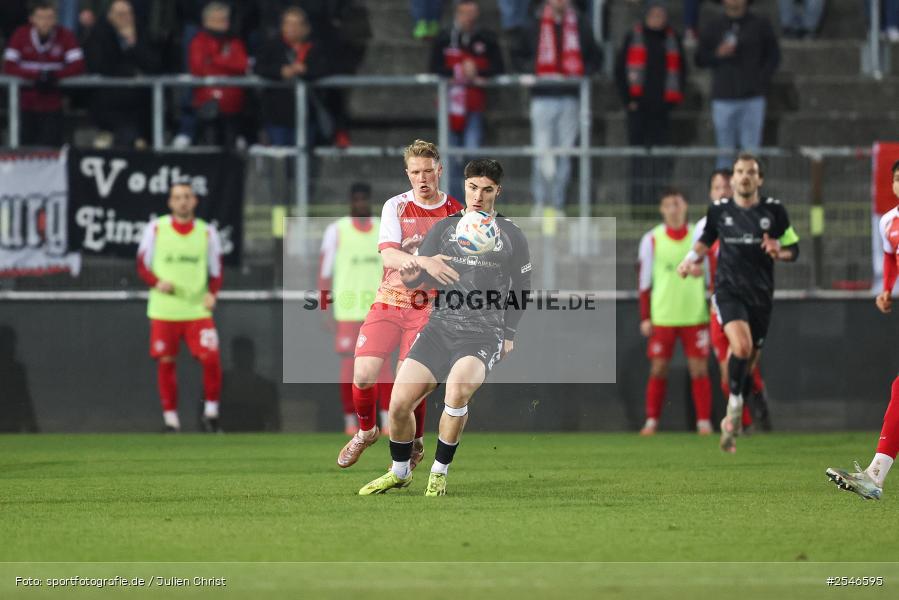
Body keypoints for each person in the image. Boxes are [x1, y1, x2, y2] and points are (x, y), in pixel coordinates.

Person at [359, 158, 532, 496]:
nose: (478, 196)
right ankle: (399, 472)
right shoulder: (445, 229)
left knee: (456, 391)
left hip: (483, 334)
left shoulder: (510, 234)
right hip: (439, 329)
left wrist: (509, 334)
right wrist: (412, 275)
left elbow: (523, 288)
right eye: (472, 188)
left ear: (498, 191)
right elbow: (420, 277)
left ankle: (438, 472)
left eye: (486, 190)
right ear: (464, 186)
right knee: (398, 404)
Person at [336, 140, 463, 469]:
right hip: (389, 301)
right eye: (415, 172)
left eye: (428, 171)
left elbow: (460, 263)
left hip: (429, 308)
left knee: (411, 380)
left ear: (439, 171)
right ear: (408, 175)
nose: (422, 179)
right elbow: (389, 253)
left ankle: (417, 439)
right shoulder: (396, 206)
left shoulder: (456, 213)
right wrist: (422, 260)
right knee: (363, 375)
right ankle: (366, 431)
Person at [677, 153, 799, 453]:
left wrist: (777, 250)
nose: (745, 176)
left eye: (751, 172)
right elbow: (704, 240)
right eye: (740, 171)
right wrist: (688, 260)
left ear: (759, 179)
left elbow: (794, 249)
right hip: (728, 292)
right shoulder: (719, 212)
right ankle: (734, 408)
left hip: (760, 296)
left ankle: (733, 415)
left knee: (749, 359)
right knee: (740, 348)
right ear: (733, 178)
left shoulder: (775, 211)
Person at [825, 159, 899, 501]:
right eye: (898, 180)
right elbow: (889, 256)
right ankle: (874, 476)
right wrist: (886, 288)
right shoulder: (889, 222)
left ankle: (874, 476)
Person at [137, 183, 224, 433]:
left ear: (194, 201)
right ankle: (171, 420)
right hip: (165, 309)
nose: (182, 201)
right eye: (177, 197)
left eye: (187, 197)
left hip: (197, 309)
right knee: (166, 362)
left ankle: (211, 414)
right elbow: (142, 265)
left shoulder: (207, 232)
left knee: (211, 359)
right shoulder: (156, 228)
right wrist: (156, 282)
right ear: (170, 202)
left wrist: (212, 293)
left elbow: (216, 271)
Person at [693, 169, 771, 432]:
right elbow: (697, 260)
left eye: (727, 186)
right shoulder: (704, 226)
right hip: (720, 302)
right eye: (717, 188)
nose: (723, 192)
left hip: (748, 301)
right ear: (710, 193)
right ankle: (744, 423)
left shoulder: (752, 219)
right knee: (729, 368)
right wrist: (693, 267)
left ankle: (758, 400)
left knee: (745, 359)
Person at [511, 0, 602, 219]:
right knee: (542, 152)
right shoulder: (533, 23)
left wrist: (581, 73)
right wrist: (532, 71)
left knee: (565, 153)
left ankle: (558, 204)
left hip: (570, 97)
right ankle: (541, 202)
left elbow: (595, 56)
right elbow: (517, 55)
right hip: (542, 96)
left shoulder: (580, 23)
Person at [318, 183, 394, 436]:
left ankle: (386, 419)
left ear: (369, 201)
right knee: (349, 369)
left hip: (379, 310)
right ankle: (351, 420)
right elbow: (325, 274)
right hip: (347, 312)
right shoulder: (336, 231)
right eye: (356, 199)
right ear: (350, 202)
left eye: (364, 199)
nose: (360, 203)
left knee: (383, 367)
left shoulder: (383, 229)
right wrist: (324, 309)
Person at [637, 189, 713, 436]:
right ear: (662, 209)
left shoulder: (699, 236)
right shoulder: (652, 239)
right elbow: (644, 282)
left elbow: (711, 276)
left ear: (685, 206)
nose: (673, 209)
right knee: (658, 368)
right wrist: (645, 316)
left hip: (695, 314)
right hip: (663, 316)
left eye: (677, 204)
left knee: (699, 369)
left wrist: (700, 275)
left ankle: (703, 422)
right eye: (668, 205)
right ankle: (651, 421)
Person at [429, 0, 504, 204]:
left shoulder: (486, 38)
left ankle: (473, 202)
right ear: (457, 14)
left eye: (472, 14)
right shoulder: (444, 38)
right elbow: (434, 68)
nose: (469, 19)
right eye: (465, 14)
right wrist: (457, 71)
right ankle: (453, 202)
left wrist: (477, 72)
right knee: (449, 157)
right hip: (449, 107)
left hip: (473, 106)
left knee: (473, 156)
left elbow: (499, 67)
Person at [615, 1, 686, 209]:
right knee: (637, 159)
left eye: (660, 15)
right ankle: (637, 204)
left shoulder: (672, 39)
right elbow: (620, 72)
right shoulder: (633, 37)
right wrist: (629, 101)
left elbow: (682, 72)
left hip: (662, 112)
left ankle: (658, 202)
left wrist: (672, 102)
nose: (657, 19)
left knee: (661, 161)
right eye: (653, 15)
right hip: (638, 110)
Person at [695, 0, 780, 169]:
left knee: (750, 154)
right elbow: (699, 58)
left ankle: (749, 194)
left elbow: (774, 56)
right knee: (725, 153)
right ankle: (724, 193)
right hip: (723, 97)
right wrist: (717, 54)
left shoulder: (760, 24)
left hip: (753, 97)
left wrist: (761, 80)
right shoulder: (713, 25)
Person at [2, 0, 85, 146]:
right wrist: (37, 76)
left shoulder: (65, 35)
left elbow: (78, 65)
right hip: (25, 104)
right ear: (32, 19)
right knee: (24, 149)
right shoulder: (20, 35)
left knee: (51, 149)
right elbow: (9, 66)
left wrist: (53, 76)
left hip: (53, 104)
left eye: (49, 17)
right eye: (41, 17)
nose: (45, 22)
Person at [83, 0, 160, 148]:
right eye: (119, 14)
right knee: (127, 136)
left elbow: (154, 64)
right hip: (108, 100)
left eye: (128, 13)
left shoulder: (142, 32)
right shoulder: (99, 34)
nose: (124, 17)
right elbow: (98, 65)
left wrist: (132, 43)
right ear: (110, 16)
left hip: (139, 101)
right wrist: (130, 71)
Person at [255, 6, 328, 147]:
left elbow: (325, 69)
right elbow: (259, 68)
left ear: (305, 27)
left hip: (307, 115)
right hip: (278, 115)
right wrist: (281, 71)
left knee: (303, 157)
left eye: (296, 24)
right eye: (288, 23)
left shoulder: (315, 48)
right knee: (280, 157)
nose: (291, 28)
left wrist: (305, 70)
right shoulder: (271, 46)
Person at [188, 1, 249, 147]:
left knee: (231, 149)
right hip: (208, 103)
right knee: (210, 148)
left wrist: (214, 60)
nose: (224, 23)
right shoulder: (199, 41)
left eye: (225, 19)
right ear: (207, 21)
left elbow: (242, 65)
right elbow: (199, 69)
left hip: (233, 104)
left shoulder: (235, 42)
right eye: (219, 19)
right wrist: (227, 63)